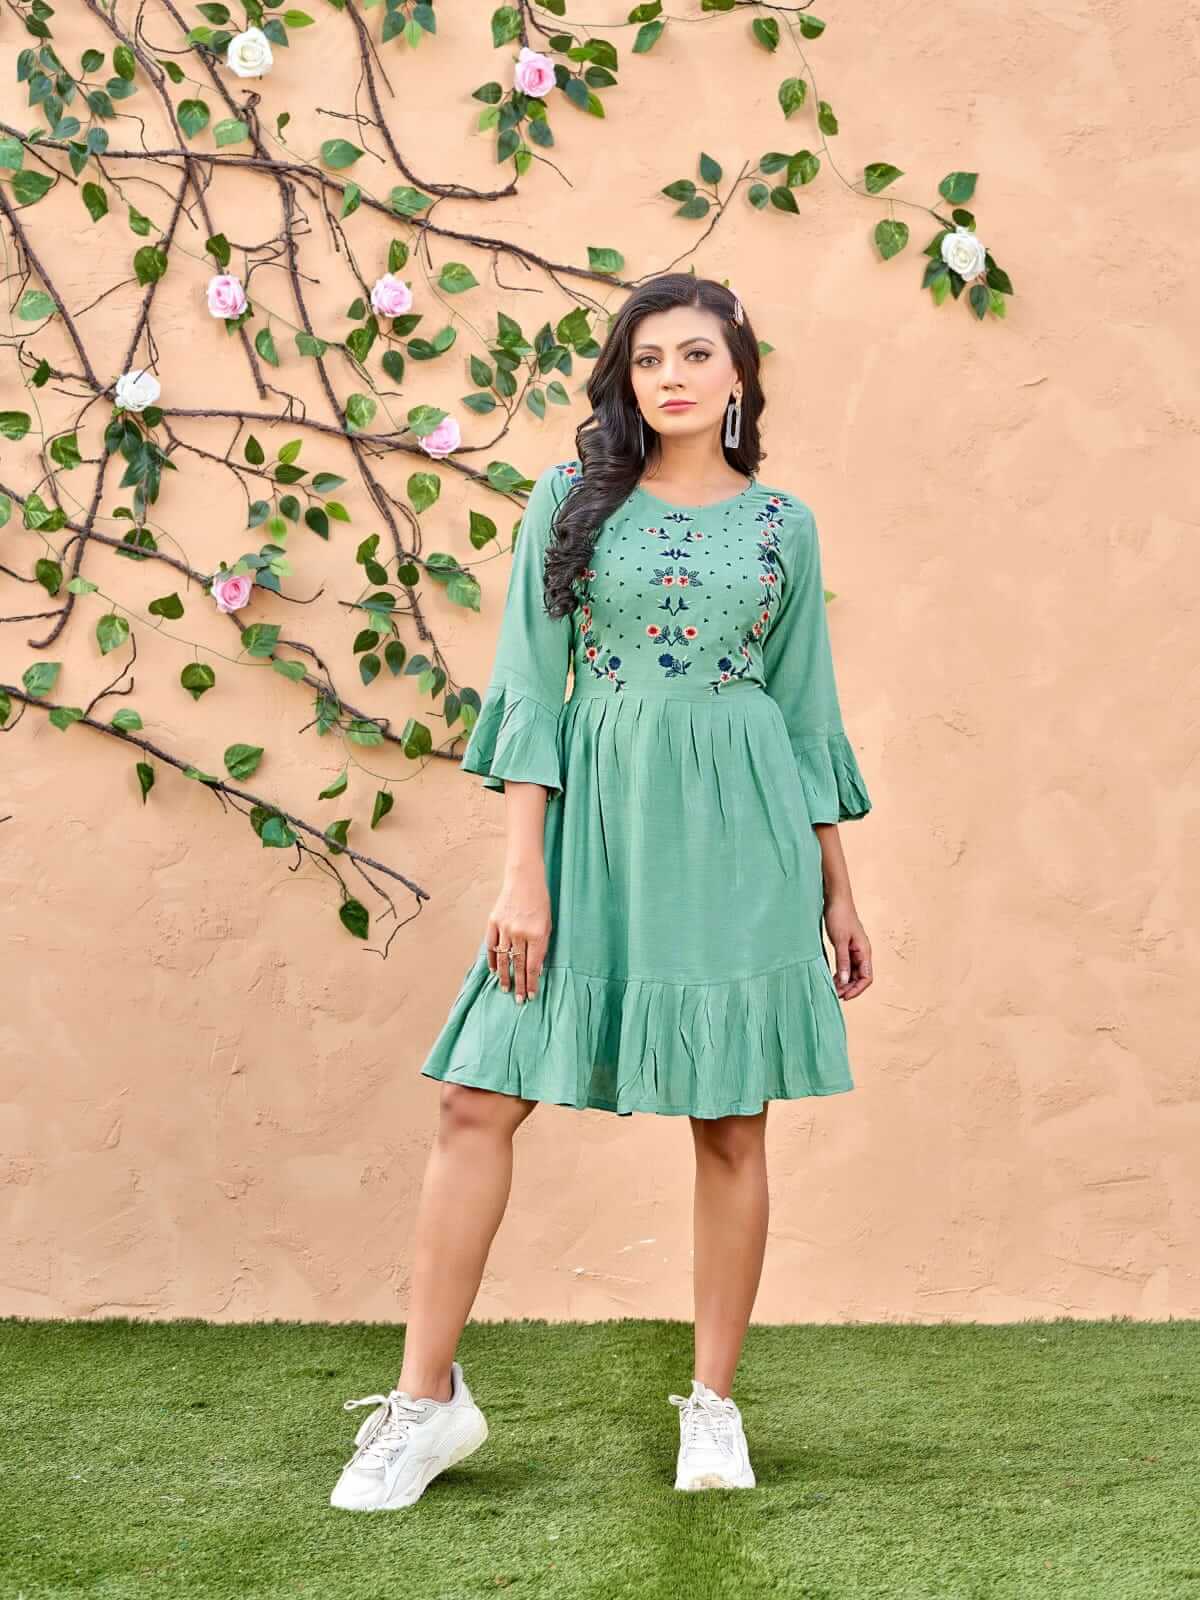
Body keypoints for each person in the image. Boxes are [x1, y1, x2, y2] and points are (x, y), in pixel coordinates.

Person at [329, 273, 874, 1512]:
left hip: (741, 835)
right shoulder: (570, 500)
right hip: (591, 829)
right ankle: (425, 1401)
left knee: (731, 1121)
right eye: (648, 358)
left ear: (738, 374)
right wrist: (523, 873)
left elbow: (804, 716)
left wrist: (838, 890)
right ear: (626, 379)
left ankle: (714, 1407)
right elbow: (532, 685)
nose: (671, 375)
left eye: (696, 354)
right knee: (477, 1100)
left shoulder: (783, 525)